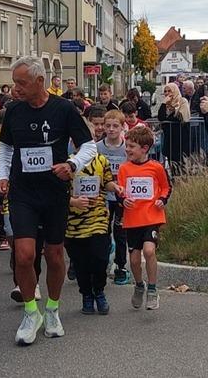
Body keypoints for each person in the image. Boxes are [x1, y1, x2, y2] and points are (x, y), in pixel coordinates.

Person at [0, 56, 96, 346]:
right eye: (14, 82)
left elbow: (88, 145)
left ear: (40, 82)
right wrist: (3, 174)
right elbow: (5, 147)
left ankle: (52, 309)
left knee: (54, 255)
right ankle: (31, 312)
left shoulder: (63, 109)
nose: (16, 88)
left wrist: (73, 165)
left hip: (54, 191)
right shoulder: (14, 111)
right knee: (25, 254)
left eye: (21, 83)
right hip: (23, 191)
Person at [65, 122, 118, 315]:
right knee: (81, 263)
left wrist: (116, 188)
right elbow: (58, 193)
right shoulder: (66, 163)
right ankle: (86, 295)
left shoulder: (101, 160)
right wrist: (73, 202)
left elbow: (108, 181)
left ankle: (100, 291)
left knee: (99, 259)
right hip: (74, 224)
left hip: (98, 219)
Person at [117, 126, 172, 311]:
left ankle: (153, 290)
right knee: (133, 260)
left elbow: (166, 187)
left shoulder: (156, 167)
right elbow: (120, 191)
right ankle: (140, 285)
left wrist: (162, 200)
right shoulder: (124, 169)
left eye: (132, 146)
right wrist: (123, 200)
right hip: (133, 219)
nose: (128, 149)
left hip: (152, 216)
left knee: (149, 251)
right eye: (127, 145)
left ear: (145, 148)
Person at [96, 110, 130, 285]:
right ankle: (102, 263)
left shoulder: (127, 148)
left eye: (115, 126)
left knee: (120, 232)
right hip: (103, 195)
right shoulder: (98, 147)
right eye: (107, 125)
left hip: (121, 196)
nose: (110, 129)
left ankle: (121, 266)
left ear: (122, 127)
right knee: (103, 231)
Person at [157, 83, 190, 173]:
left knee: (181, 165)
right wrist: (164, 103)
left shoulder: (182, 101)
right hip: (169, 139)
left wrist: (169, 117)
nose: (167, 93)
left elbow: (180, 118)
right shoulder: (166, 105)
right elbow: (161, 117)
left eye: (169, 91)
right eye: (165, 91)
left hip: (180, 138)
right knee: (172, 165)